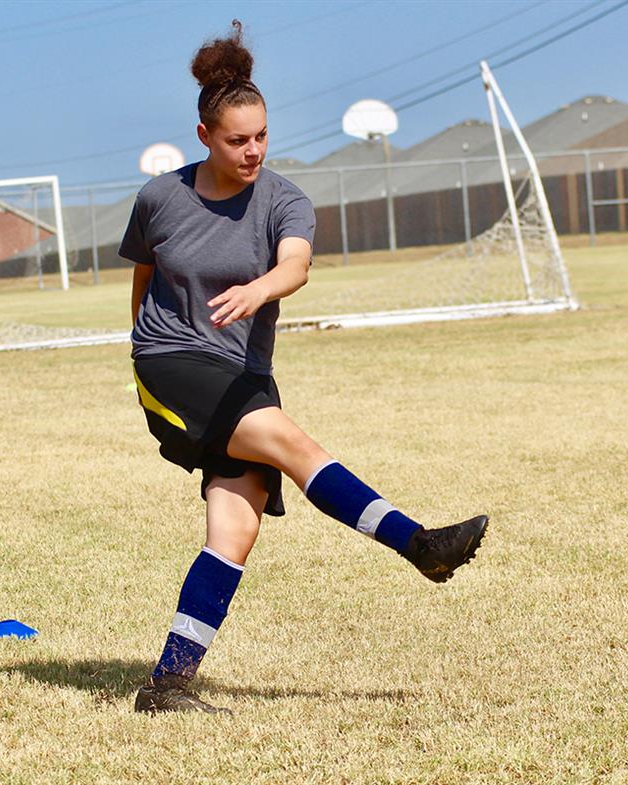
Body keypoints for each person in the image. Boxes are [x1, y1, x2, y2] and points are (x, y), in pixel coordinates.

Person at [120, 21, 487, 716]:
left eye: (261, 135)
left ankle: (167, 684)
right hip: (171, 361)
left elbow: (296, 262)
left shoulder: (285, 198)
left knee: (236, 529)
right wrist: (142, 343)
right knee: (296, 446)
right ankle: (419, 544)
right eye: (237, 139)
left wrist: (264, 288)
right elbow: (145, 273)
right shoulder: (160, 198)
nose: (253, 149)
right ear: (205, 137)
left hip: (244, 371)